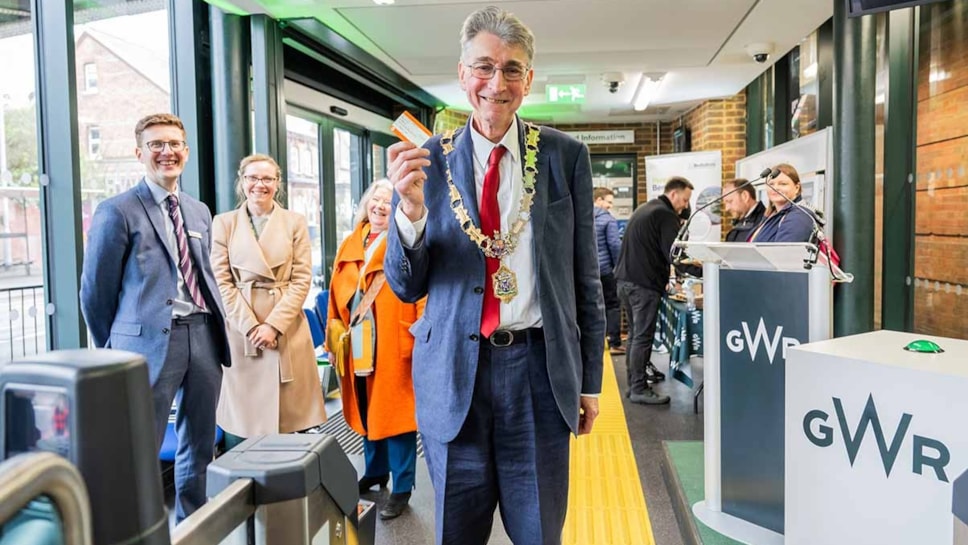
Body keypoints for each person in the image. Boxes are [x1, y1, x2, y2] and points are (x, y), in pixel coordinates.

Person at [383, 6, 605, 544]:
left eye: (511, 69)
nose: (496, 83)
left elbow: (585, 278)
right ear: (463, 75)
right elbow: (406, 286)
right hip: (456, 373)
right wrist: (409, 214)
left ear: (528, 80)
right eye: (483, 67)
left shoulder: (563, 156)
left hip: (538, 369)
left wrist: (592, 381)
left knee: (538, 530)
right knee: (456, 530)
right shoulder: (425, 162)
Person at [80, 113, 229, 522]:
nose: (167, 152)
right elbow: (95, 292)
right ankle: (140, 526)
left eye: (174, 144)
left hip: (201, 335)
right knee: (139, 444)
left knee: (199, 440)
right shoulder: (117, 211)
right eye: (156, 145)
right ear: (139, 153)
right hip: (144, 345)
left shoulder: (198, 211)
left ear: (186, 151)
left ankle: (191, 521)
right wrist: (113, 347)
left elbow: (205, 273)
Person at [209, 154, 326, 450]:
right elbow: (222, 281)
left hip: (285, 328)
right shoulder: (224, 223)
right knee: (243, 419)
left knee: (286, 422)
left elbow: (302, 280)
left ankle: (284, 491)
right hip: (241, 330)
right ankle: (244, 488)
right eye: (252, 178)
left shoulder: (294, 222)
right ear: (242, 182)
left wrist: (273, 326)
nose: (259, 185)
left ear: (277, 184)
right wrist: (251, 326)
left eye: (267, 179)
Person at [327, 179, 424, 520]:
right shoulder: (352, 242)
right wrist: (331, 339)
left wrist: (418, 336)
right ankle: (375, 470)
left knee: (397, 415)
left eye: (388, 201)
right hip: (356, 339)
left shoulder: (406, 241)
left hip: (394, 338)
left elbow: (422, 291)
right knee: (367, 408)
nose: (380, 206)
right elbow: (335, 293)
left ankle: (402, 486)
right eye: (375, 200)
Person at [614, 177, 696, 405]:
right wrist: (702, 269)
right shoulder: (665, 214)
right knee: (642, 337)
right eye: (684, 200)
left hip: (625, 282)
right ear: (673, 194)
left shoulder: (646, 208)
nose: (685, 205)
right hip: (643, 285)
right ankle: (638, 388)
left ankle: (634, 385)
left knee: (634, 335)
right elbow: (674, 254)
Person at [749, 163, 817, 243]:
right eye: (771, 184)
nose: (775, 188)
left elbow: (783, 253)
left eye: (783, 184)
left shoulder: (798, 217)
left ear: (797, 188)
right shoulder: (772, 214)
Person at [594, 187, 624, 355]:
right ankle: (614, 342)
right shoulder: (608, 220)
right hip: (605, 270)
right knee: (612, 305)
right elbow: (614, 245)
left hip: (587, 272)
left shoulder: (581, 216)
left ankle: (595, 342)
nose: (610, 206)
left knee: (592, 305)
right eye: (608, 201)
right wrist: (618, 267)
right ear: (599, 200)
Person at [722, 178, 766, 242]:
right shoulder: (744, 221)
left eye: (730, 201)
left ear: (745, 196)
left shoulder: (765, 222)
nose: (726, 208)